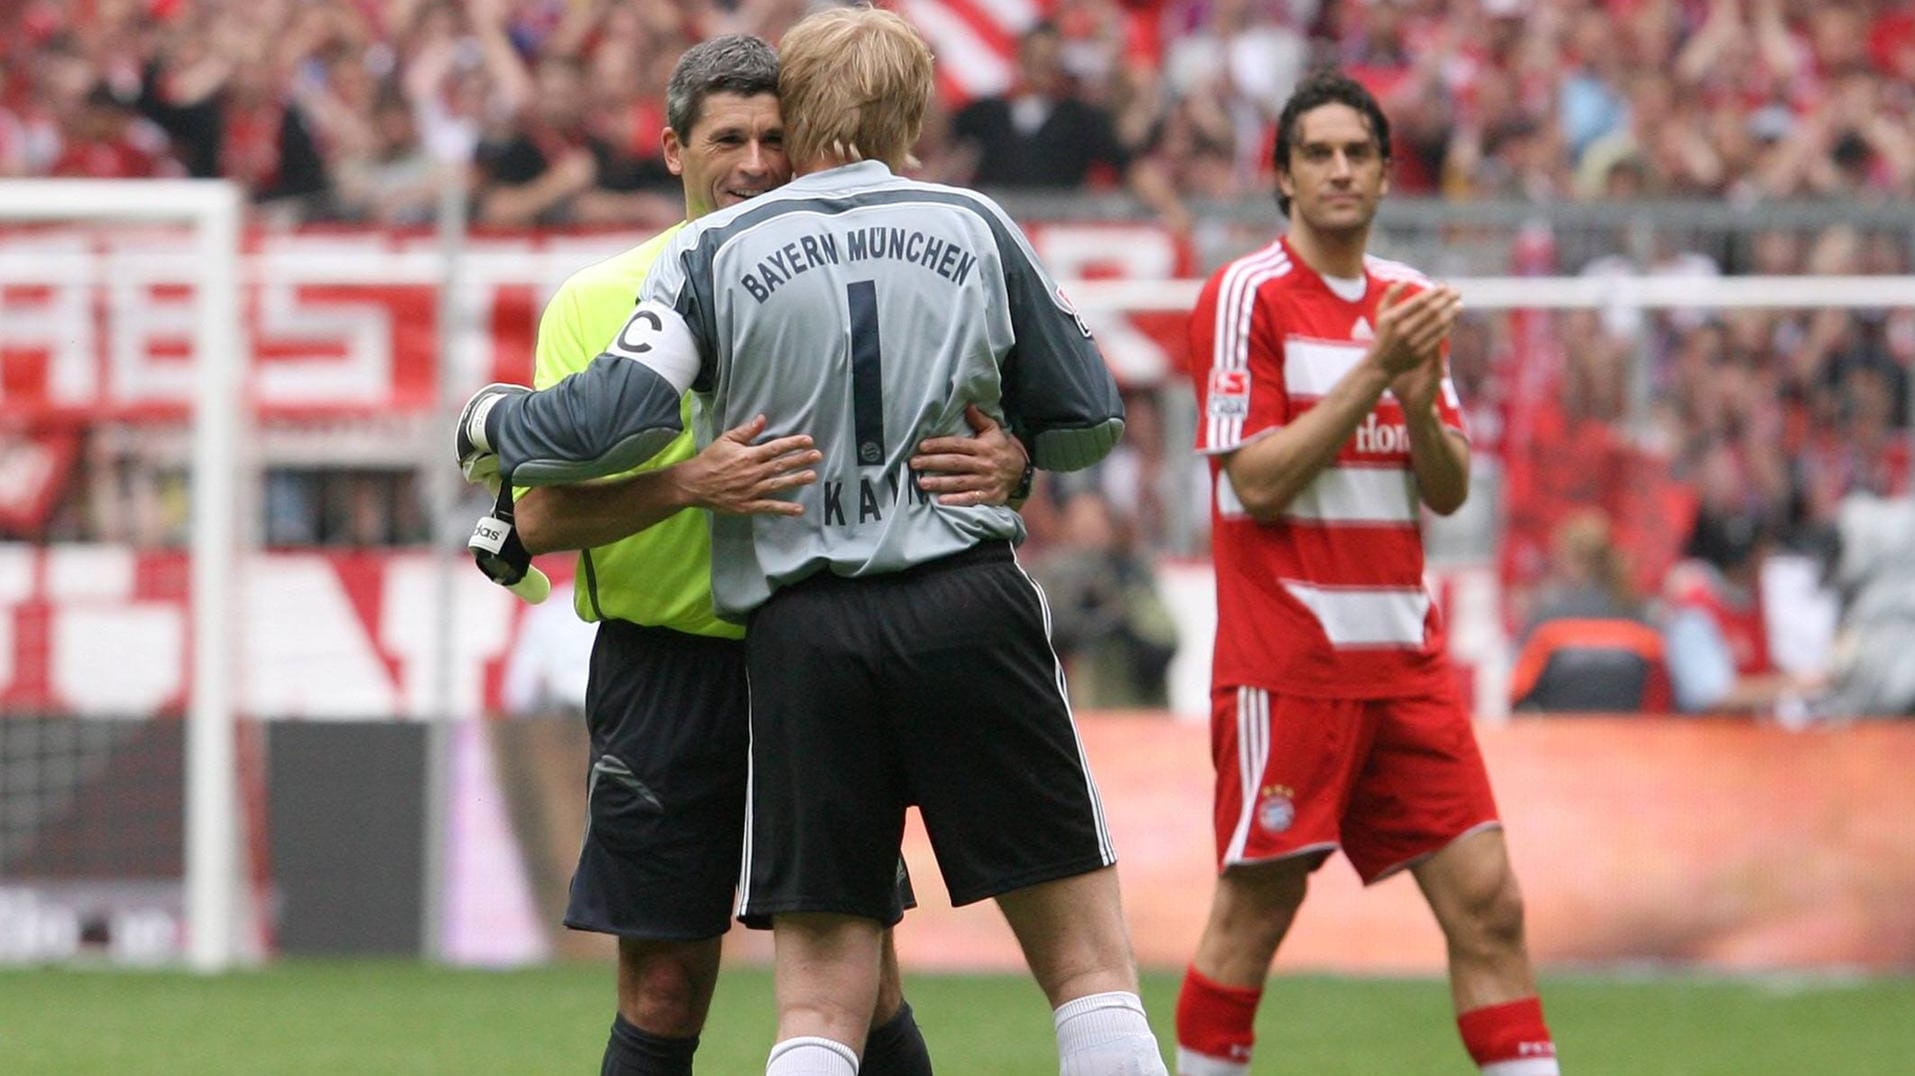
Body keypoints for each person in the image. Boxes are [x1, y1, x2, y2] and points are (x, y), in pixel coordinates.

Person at [457, 9, 1167, 1075]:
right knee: (1086, 974)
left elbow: (605, 422)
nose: (752, 163)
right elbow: (1092, 416)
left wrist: (486, 425)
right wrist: (1017, 452)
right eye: (727, 142)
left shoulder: (719, 260)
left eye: (769, 136)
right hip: (892, 617)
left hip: (804, 631)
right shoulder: (971, 222)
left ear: (808, 122)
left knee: (828, 1001)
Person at [1175, 70, 1560, 1076]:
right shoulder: (1244, 295)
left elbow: (1447, 491)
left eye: (1358, 153)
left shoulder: (1405, 303)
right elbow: (1253, 480)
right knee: (1256, 910)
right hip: (1291, 662)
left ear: (1387, 174)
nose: (1339, 169)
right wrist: (1374, 374)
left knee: (1491, 902)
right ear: (1284, 177)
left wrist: (1422, 403)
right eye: (1318, 153)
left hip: (1405, 661)